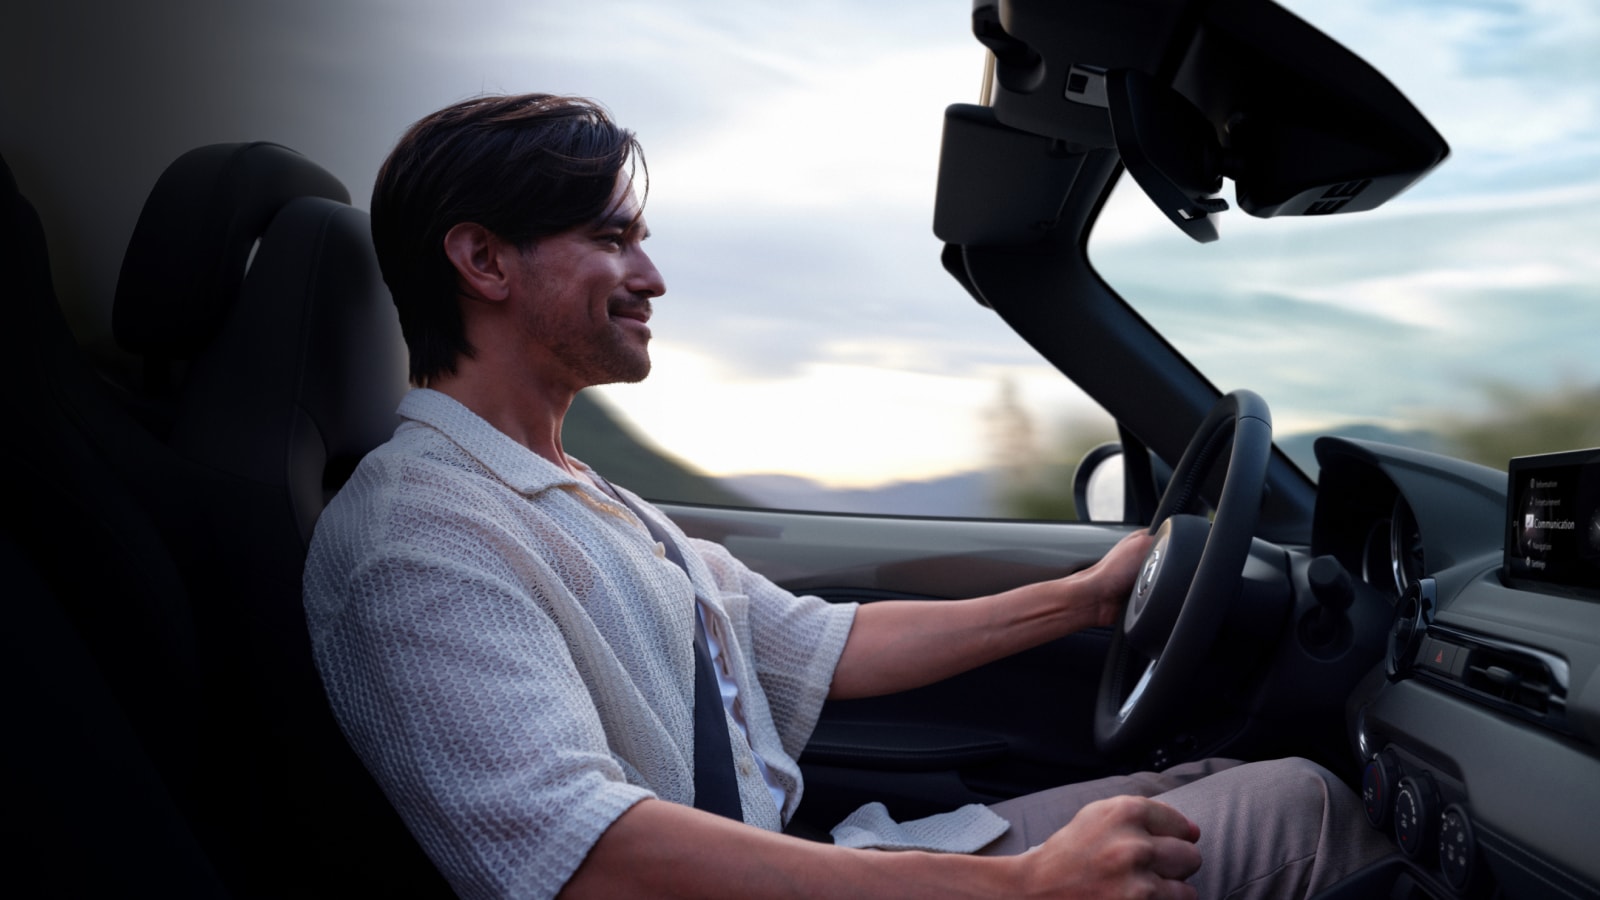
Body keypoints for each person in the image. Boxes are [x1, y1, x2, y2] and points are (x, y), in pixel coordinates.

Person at [304, 93, 1392, 899]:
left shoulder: (581, 498)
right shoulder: (416, 541)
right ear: (483, 261)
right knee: (1300, 817)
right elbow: (593, 861)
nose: (651, 276)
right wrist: (1019, 889)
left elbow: (819, 646)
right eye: (609, 237)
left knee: (1224, 781)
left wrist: (1086, 598)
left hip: (819, 866)